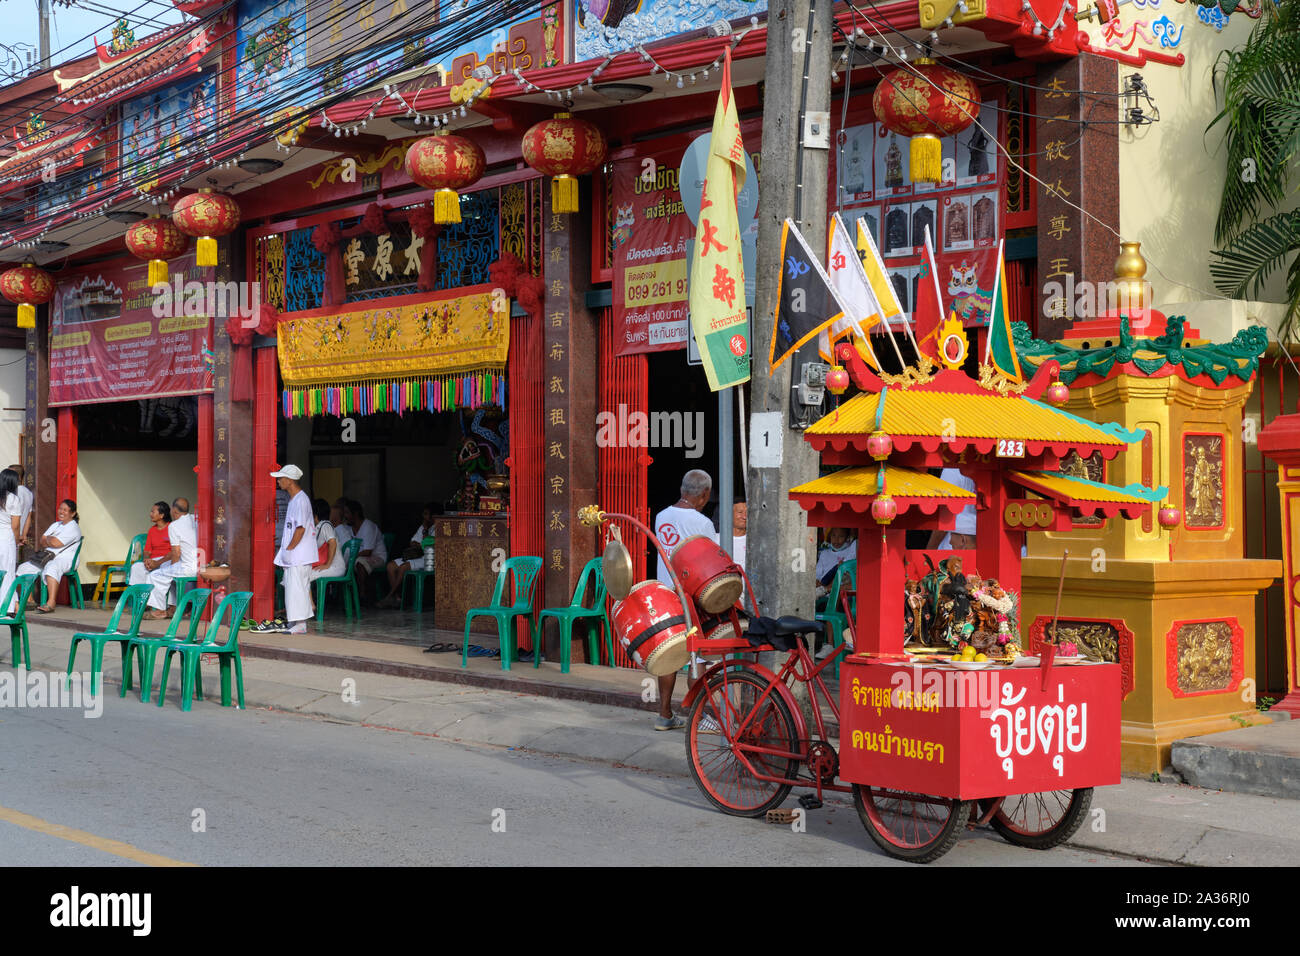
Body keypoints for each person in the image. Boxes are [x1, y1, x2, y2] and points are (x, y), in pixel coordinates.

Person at [652, 469, 716, 731]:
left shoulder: (661, 516)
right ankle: (698, 716)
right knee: (696, 655)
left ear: (682, 490)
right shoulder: (703, 524)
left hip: (665, 594)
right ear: (704, 495)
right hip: (690, 597)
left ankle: (664, 714)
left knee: (668, 654)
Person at [272, 465, 316, 634]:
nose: (278, 481)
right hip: (295, 554)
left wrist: (289, 549)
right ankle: (296, 621)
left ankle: (300, 624)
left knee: (297, 587)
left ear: (289, 480)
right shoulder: (294, 499)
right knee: (294, 587)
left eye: (281, 478)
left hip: (299, 554)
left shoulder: (301, 500)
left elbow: (300, 529)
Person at [19, 499, 82, 613]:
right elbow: (42, 540)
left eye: (65, 510)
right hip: (48, 557)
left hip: (66, 559)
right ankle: (30, 600)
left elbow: (56, 543)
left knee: (52, 567)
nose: (61, 512)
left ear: (72, 513)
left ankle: (51, 602)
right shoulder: (56, 524)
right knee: (24, 567)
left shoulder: (73, 528)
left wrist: (49, 539)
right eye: (60, 509)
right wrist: (50, 540)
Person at [145, 496, 198, 619]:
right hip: (202, 566)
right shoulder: (195, 519)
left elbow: (176, 553)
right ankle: (173, 607)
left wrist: (173, 569)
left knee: (156, 575)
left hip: (187, 567)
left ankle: (159, 611)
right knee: (169, 574)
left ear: (174, 510)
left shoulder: (174, 526)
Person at [378, 502, 437, 608]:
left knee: (403, 567)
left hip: (429, 559)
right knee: (391, 566)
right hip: (417, 556)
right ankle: (397, 599)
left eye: (426, 514)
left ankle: (389, 596)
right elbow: (412, 542)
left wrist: (422, 541)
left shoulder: (438, 528)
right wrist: (421, 542)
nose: (424, 517)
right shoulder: (422, 527)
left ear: (433, 516)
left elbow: (427, 545)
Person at [927, 467, 976, 551]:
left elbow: (945, 517)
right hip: (976, 542)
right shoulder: (984, 469)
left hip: (956, 542)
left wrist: (930, 550)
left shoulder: (952, 471)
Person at [346, 500, 387, 600]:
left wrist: (352, 557)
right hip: (360, 557)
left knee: (360, 563)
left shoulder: (368, 526)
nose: (345, 516)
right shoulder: (349, 528)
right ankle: (348, 596)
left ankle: (362, 594)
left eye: (347, 513)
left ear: (355, 513)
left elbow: (368, 551)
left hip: (377, 557)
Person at [128, 501, 172, 588]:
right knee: (136, 567)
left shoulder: (172, 528)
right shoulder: (152, 530)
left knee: (161, 570)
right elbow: (147, 551)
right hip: (152, 561)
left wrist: (158, 563)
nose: (150, 514)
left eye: (153, 512)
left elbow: (174, 552)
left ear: (161, 515)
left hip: (166, 561)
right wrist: (146, 561)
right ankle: (139, 596)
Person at [310, 497, 346, 583]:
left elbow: (332, 543)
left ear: (315, 514)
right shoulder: (319, 527)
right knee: (303, 573)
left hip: (335, 567)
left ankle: (306, 597)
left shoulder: (325, 525)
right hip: (330, 566)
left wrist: (327, 565)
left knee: (305, 576)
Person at [0, 469, 18, 612]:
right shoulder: (13, 498)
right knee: (8, 571)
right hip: (6, 538)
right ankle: (7, 607)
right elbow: (15, 525)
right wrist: (16, 542)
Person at [8, 464, 32, 557]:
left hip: (10, 535)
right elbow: (28, 517)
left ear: (17, 477)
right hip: (17, 536)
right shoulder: (28, 493)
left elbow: (14, 518)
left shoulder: (14, 493)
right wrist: (23, 535)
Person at [729, 501, 747, 571]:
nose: (744, 516)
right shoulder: (716, 539)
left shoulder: (754, 542)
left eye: (747, 512)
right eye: (740, 512)